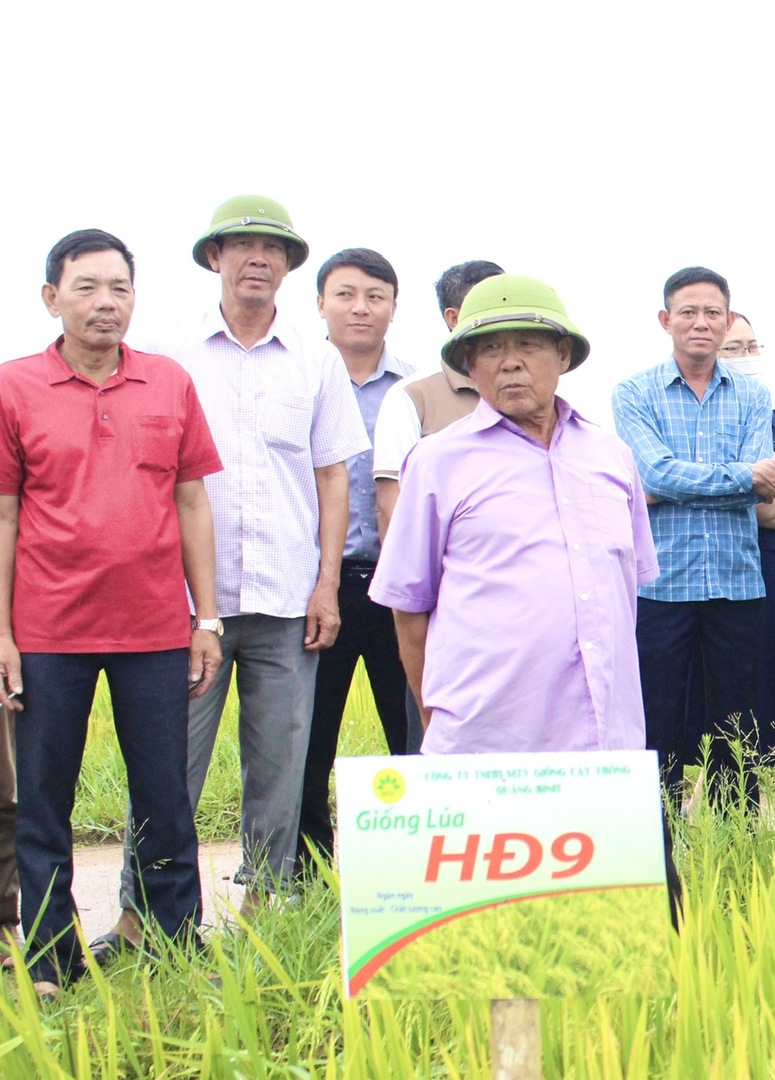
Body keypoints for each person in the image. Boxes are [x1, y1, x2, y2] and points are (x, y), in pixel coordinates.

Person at [104, 196, 369, 945]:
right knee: (167, 763)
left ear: (289, 266)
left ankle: (263, 913)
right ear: (214, 257)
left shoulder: (316, 360)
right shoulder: (168, 352)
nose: (258, 257)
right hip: (188, 604)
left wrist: (325, 585)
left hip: (288, 597)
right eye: (241, 245)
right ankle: (140, 914)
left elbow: (332, 477)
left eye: (273, 248)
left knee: (280, 767)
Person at [370, 274, 681, 905]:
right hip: (491, 750)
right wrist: (441, 721)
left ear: (563, 357)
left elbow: (630, 591)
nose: (511, 361)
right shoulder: (436, 461)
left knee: (630, 939)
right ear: (469, 366)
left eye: (531, 345)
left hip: (606, 745)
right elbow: (410, 611)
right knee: (499, 954)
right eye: (490, 349)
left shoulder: (612, 456)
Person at [0, 229, 225, 995]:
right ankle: (52, 959)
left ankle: (173, 946)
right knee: (45, 802)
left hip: (155, 630)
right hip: (47, 632)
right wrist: (2, 632)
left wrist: (207, 619)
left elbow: (192, 500)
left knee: (165, 798)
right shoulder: (14, 387)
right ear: (51, 298)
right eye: (87, 287)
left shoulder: (168, 383)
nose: (105, 302)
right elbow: (4, 516)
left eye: (119, 288)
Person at [612, 267, 775, 810]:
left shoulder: (755, 396)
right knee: (655, 718)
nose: (701, 323)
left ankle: (736, 834)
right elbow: (654, 474)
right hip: (662, 586)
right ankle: (654, 832)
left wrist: (688, 482)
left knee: (738, 723)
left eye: (713, 313)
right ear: (666, 321)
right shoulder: (633, 393)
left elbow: (765, 484)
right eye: (688, 312)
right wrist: (737, 477)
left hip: (737, 582)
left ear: (728, 321)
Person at [296, 248, 419, 868]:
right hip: (320, 588)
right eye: (345, 294)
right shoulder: (299, 380)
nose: (361, 307)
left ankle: (418, 866)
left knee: (414, 733)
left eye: (376, 295)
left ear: (394, 308)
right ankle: (307, 874)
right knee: (309, 740)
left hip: (401, 587)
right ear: (320, 302)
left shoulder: (417, 389)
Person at [676, 313, 775, 794]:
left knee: (766, 689)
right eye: (735, 347)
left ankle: (741, 789)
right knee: (719, 690)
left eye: (752, 345)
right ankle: (706, 791)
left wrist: (761, 502)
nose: (747, 356)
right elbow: (752, 501)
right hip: (728, 565)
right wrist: (758, 500)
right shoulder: (706, 418)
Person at [370, 259, 504, 752]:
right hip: (445, 611)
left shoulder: (534, 403)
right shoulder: (413, 397)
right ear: (453, 319)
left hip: (514, 619)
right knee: (432, 746)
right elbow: (393, 506)